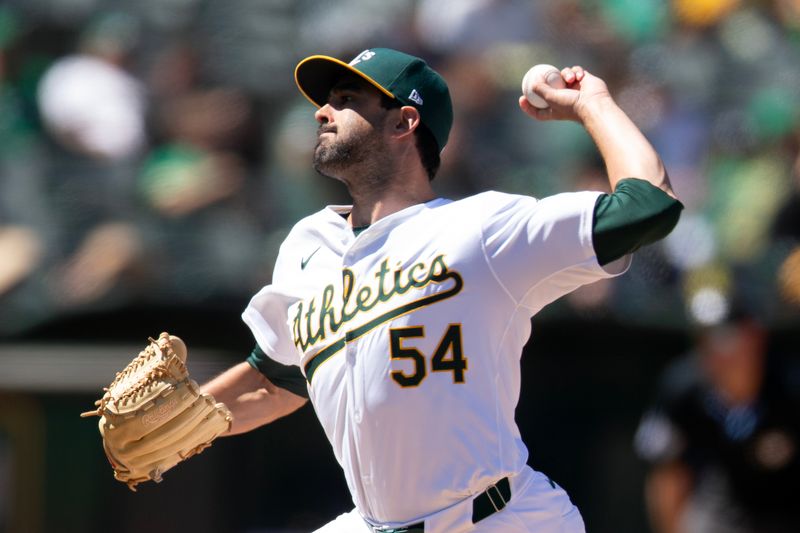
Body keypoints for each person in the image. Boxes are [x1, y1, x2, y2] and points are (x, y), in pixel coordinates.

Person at [202, 47, 683, 532]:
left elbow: (647, 206)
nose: (321, 111)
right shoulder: (308, 245)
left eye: (346, 98)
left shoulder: (480, 230)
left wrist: (592, 105)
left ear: (403, 122)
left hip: (493, 520)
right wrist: (176, 426)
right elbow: (276, 379)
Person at [634, 304, 800, 533]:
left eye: (726, 338)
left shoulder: (789, 387)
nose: (714, 350)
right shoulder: (685, 390)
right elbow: (668, 476)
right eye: (706, 338)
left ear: (755, 338)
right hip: (717, 516)